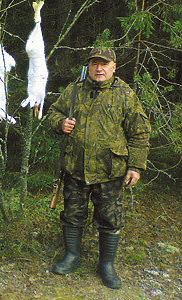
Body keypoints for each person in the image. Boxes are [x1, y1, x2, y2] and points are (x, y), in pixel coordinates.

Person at [47, 47, 151, 289]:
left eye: (104, 64)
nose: (99, 68)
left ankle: (107, 264)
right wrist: (61, 123)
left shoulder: (125, 94)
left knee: (109, 218)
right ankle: (72, 256)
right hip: (75, 168)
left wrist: (135, 166)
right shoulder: (75, 89)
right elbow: (53, 112)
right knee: (72, 214)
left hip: (110, 170)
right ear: (90, 66)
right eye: (95, 64)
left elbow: (140, 132)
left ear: (114, 67)